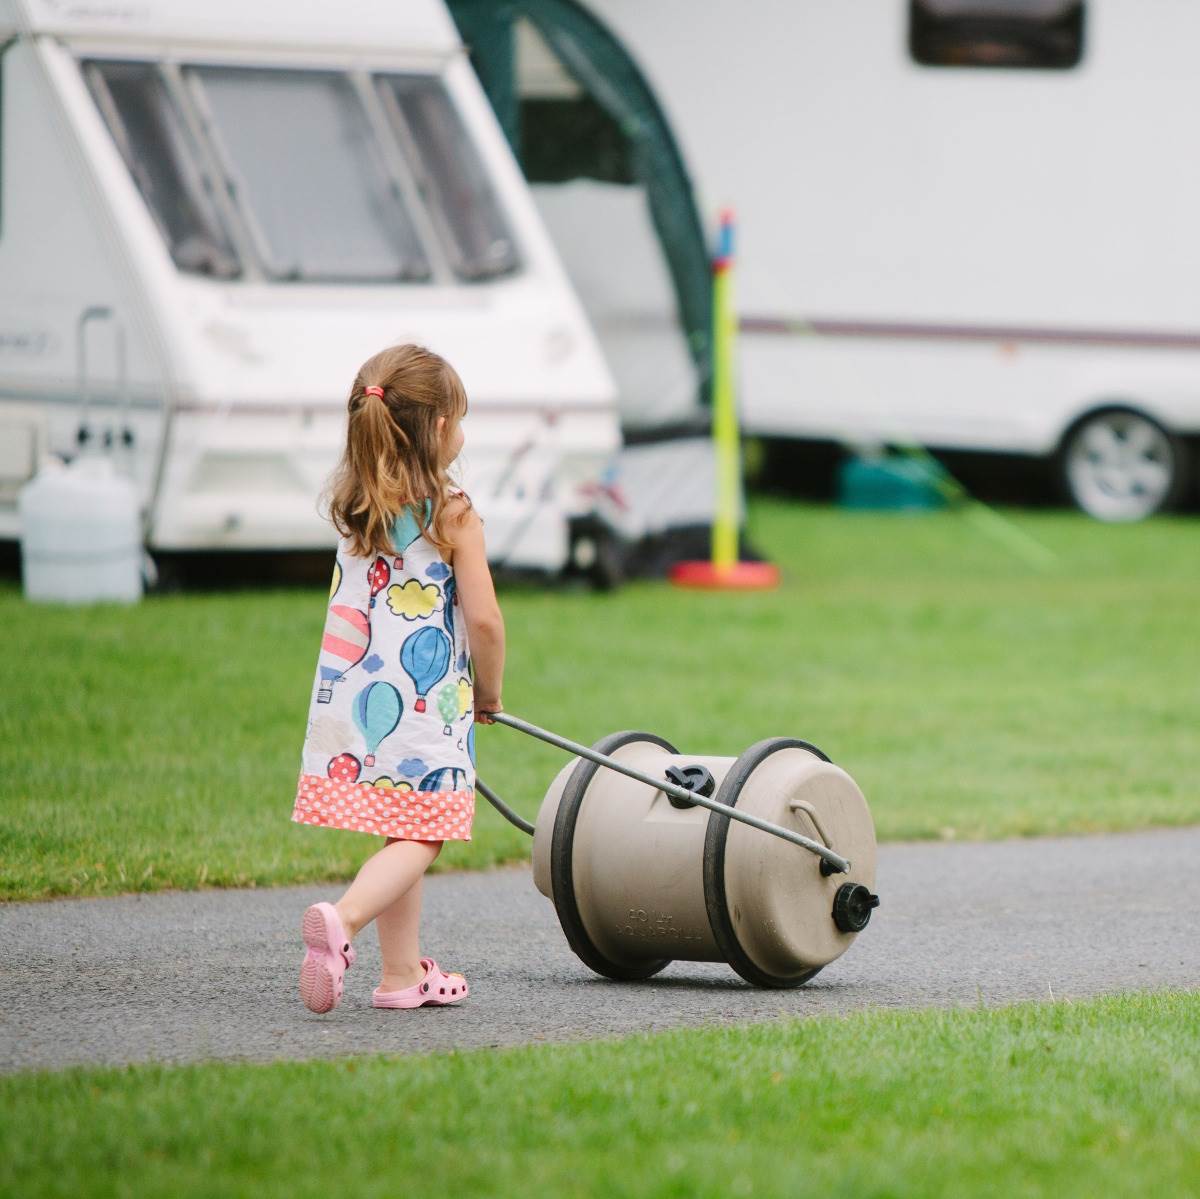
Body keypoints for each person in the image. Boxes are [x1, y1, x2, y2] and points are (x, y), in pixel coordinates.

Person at [290, 344, 504, 1014]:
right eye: (458, 420)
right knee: (426, 832)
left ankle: (401, 976)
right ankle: (344, 920)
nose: (462, 433)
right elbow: (485, 620)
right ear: (438, 428)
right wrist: (489, 692)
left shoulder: (359, 506)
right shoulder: (454, 512)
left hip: (352, 700)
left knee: (399, 822)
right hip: (423, 708)